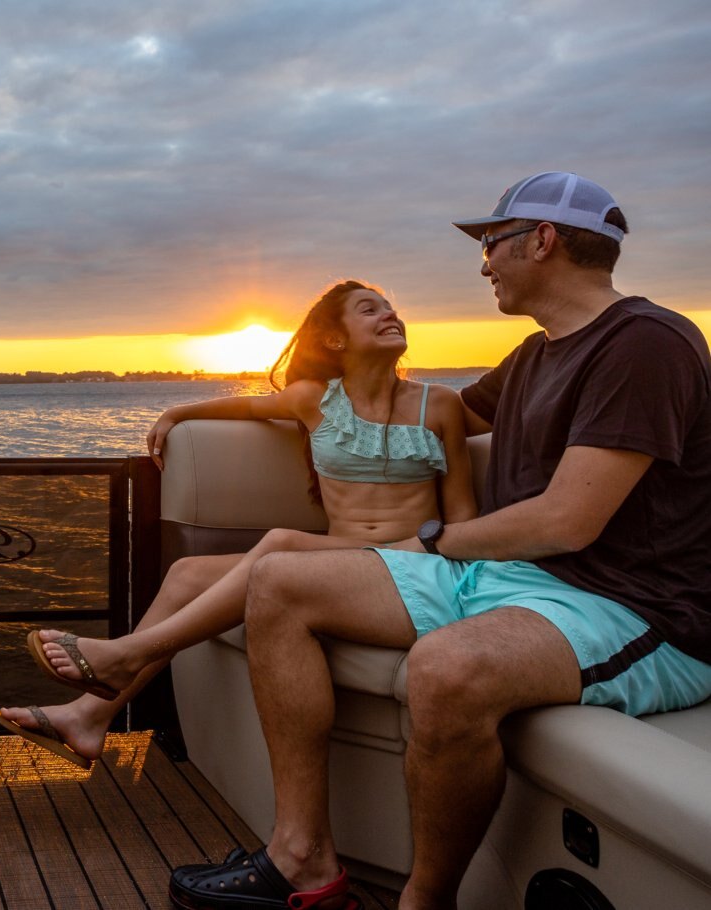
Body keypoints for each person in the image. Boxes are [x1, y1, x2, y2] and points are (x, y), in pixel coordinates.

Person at [167, 172, 711, 910]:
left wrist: (433, 536)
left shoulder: (645, 344)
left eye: (491, 243)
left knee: (447, 669)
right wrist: (291, 404)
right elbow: (434, 416)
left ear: (541, 241)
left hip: (635, 607)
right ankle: (301, 857)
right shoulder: (536, 355)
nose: (484, 264)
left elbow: (566, 521)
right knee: (280, 580)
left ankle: (425, 901)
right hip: (523, 578)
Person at [0, 280, 477, 770]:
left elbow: (461, 515)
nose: (389, 314)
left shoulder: (438, 403)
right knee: (186, 574)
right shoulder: (313, 399)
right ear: (335, 339)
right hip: (341, 560)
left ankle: (126, 654)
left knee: (282, 541)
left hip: (413, 560)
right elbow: (246, 406)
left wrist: (454, 559)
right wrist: (177, 412)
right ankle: (89, 717)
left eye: (391, 308)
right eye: (370, 310)